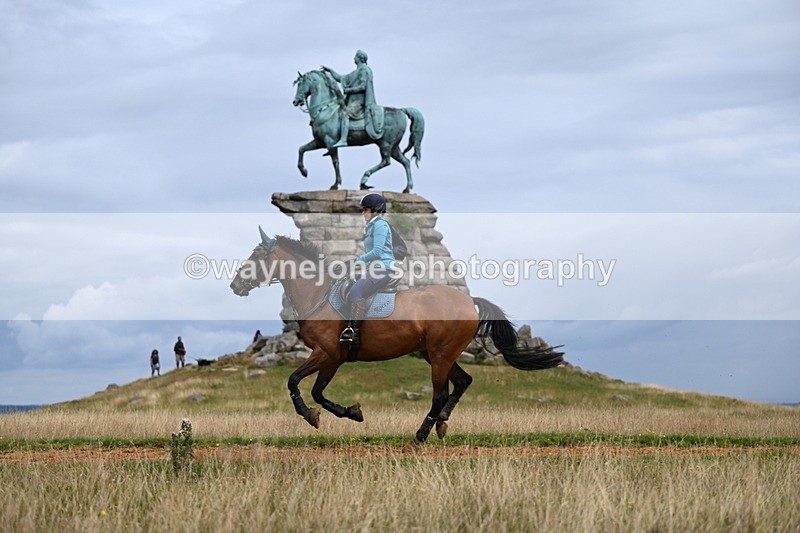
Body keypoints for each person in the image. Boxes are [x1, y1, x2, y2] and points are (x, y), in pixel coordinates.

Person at [340, 193, 397, 345]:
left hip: (383, 268)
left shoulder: (380, 225)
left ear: (375, 210)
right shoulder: (371, 226)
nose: (363, 213)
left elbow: (377, 251)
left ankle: (353, 332)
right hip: (374, 268)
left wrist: (356, 260)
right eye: (363, 210)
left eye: (366, 210)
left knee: (356, 291)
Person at [321, 49, 384, 147]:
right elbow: (340, 78)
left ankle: (343, 139)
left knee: (344, 114)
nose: (354, 58)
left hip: (359, 102)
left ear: (359, 59)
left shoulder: (364, 70)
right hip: (352, 101)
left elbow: (363, 87)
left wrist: (349, 90)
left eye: (355, 56)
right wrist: (330, 71)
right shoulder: (356, 72)